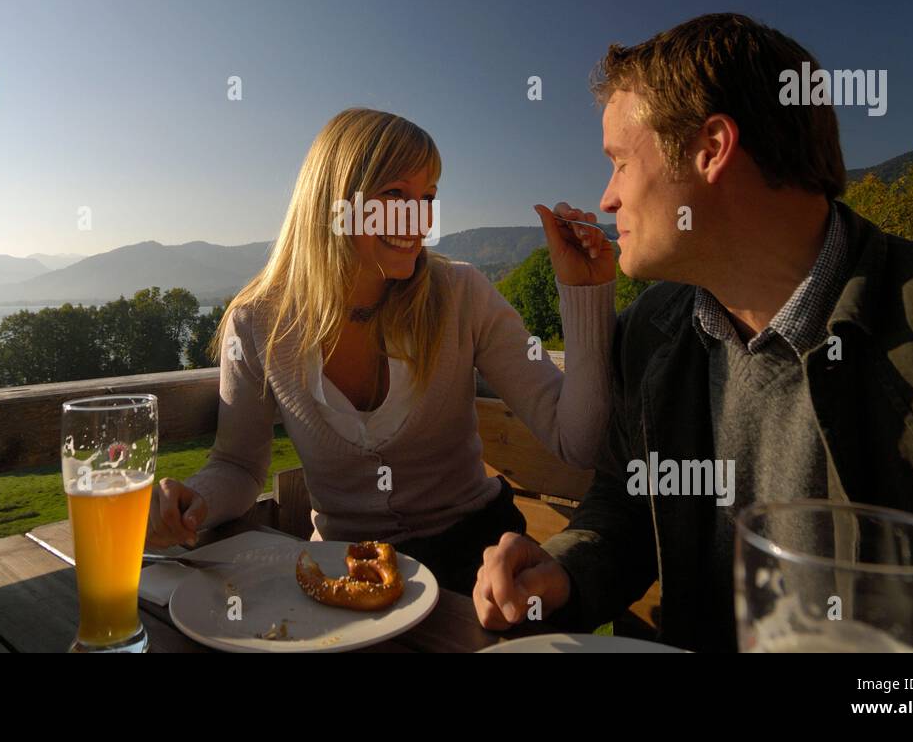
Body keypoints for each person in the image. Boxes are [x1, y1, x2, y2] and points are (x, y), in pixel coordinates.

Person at [473, 12, 913, 651]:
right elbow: (629, 509)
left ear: (711, 149)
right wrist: (566, 571)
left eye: (621, 163)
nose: (605, 199)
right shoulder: (650, 336)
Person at [145, 107, 616, 593]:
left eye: (428, 197)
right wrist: (191, 501)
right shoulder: (256, 322)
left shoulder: (462, 293)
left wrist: (585, 294)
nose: (418, 220)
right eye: (394, 194)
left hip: (479, 567)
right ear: (333, 202)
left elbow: (576, 441)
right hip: (345, 571)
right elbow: (239, 466)